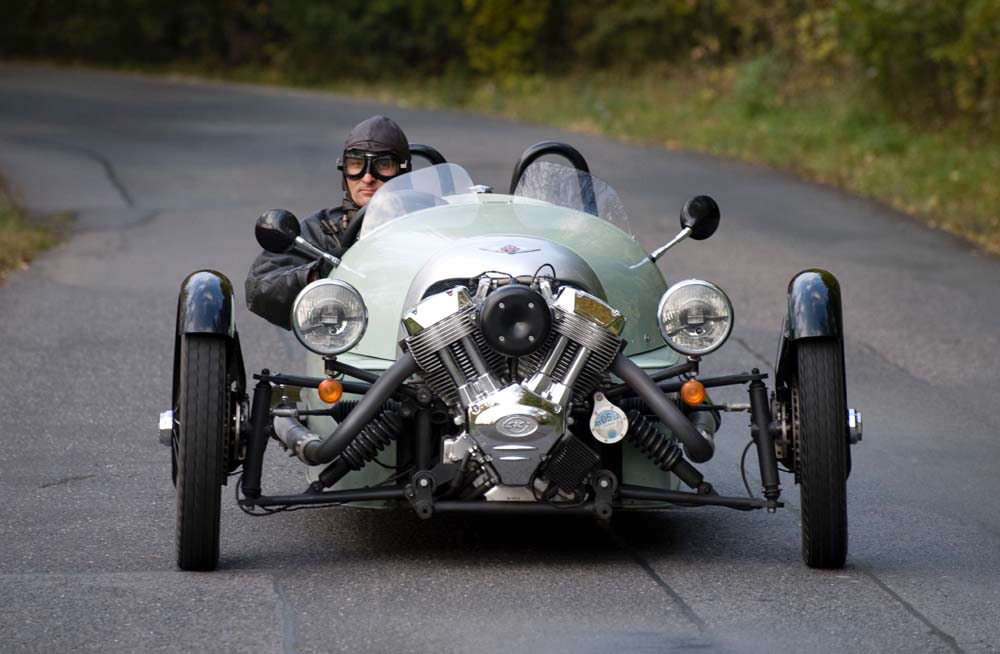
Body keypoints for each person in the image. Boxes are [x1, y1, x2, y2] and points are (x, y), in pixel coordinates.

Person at [245, 115, 410, 329]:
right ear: (344, 170)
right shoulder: (322, 229)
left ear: (403, 170)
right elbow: (258, 287)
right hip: (344, 338)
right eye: (357, 164)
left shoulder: (431, 219)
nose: (368, 177)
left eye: (383, 165)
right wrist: (316, 274)